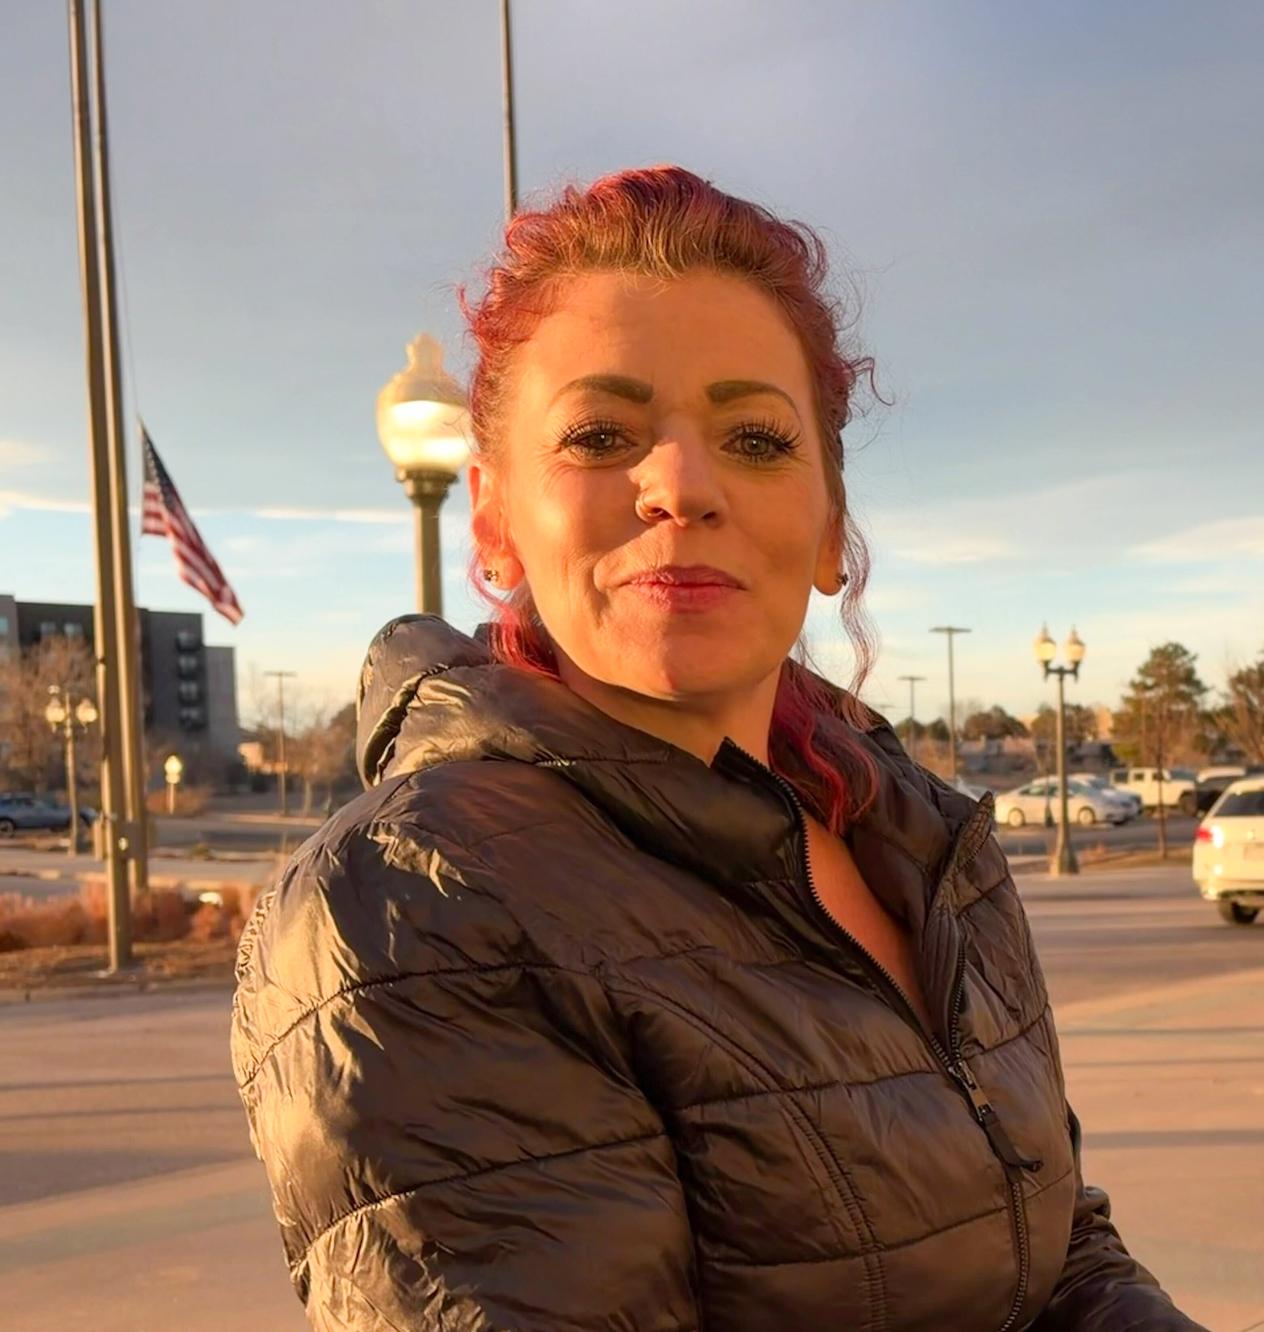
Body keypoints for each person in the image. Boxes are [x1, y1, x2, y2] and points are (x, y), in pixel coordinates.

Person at [231, 165, 1202, 1331]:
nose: (680, 487)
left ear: (832, 526)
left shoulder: (925, 844)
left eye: (752, 436)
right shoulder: (420, 908)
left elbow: (1053, 1253)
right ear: (494, 515)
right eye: (601, 433)